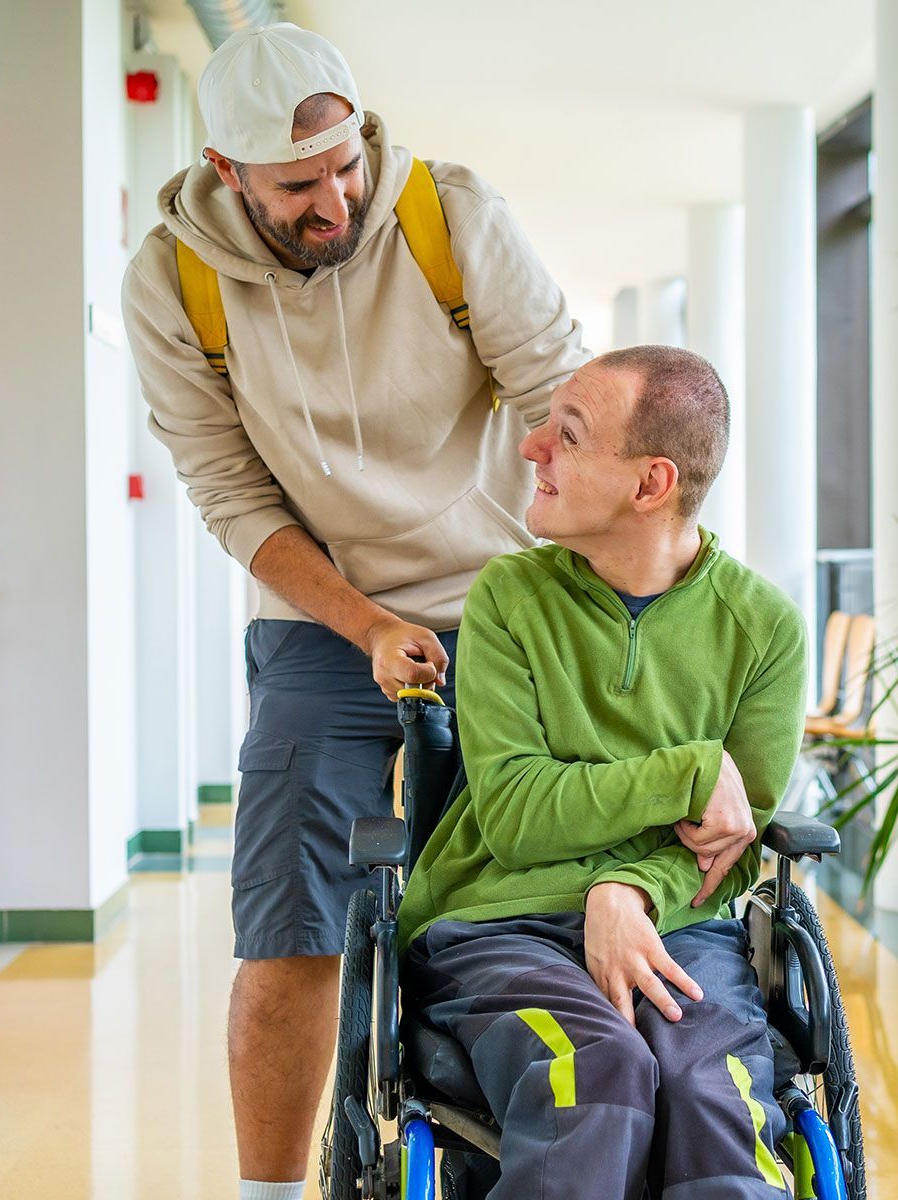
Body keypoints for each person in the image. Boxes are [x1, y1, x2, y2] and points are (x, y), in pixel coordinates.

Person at [120, 23, 588, 1199]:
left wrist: (596, 584)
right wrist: (367, 625)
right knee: (287, 927)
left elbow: (564, 402)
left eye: (345, 166)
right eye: (297, 184)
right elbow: (231, 495)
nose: (335, 197)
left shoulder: (450, 218)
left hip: (503, 595)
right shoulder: (172, 283)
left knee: (536, 889)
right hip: (325, 616)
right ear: (227, 172)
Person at [397, 346, 807, 1199]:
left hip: (680, 929)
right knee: (591, 1075)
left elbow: (732, 840)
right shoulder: (509, 598)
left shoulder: (762, 628)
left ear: (650, 485)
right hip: (498, 924)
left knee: (713, 1098)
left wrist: (625, 892)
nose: (532, 446)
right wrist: (688, 773)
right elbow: (513, 813)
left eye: (568, 435)